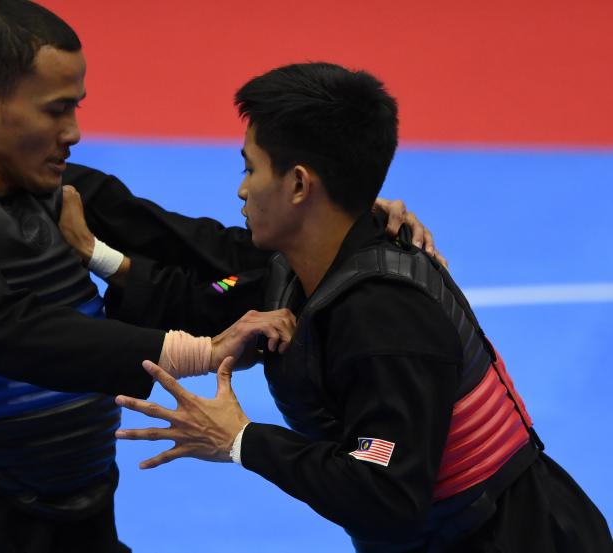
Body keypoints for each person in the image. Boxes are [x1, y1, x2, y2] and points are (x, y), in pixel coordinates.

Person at [0, 1, 299, 551]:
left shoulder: (68, 194)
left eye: (76, 108)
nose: (75, 131)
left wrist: (351, 220)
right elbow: (8, 331)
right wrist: (199, 352)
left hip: (89, 526)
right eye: (56, 111)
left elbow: (233, 268)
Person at [114, 63, 613, 552]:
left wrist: (241, 440)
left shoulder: (385, 320)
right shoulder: (298, 265)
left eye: (250, 167)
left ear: (300, 185)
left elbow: (387, 497)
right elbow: (206, 286)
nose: (241, 188)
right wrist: (98, 255)